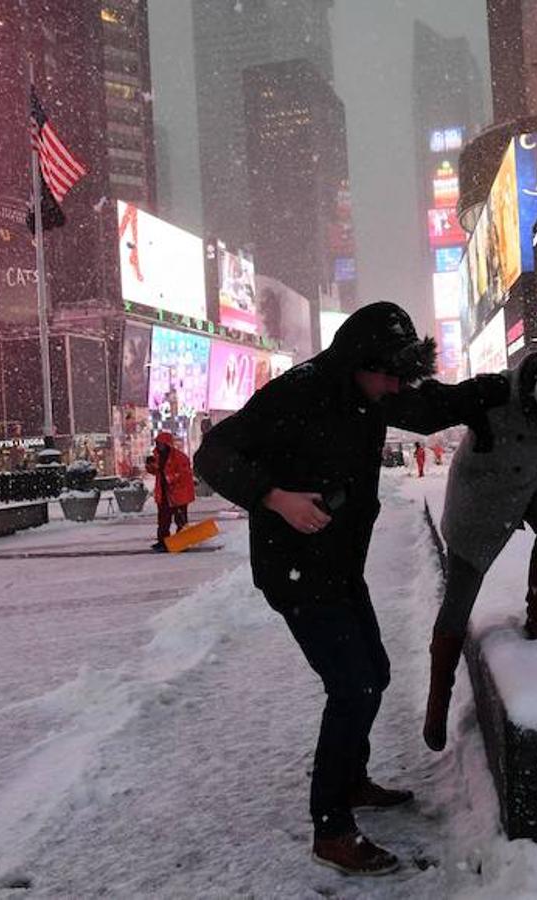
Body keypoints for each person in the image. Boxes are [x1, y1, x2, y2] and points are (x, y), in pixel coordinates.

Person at [193, 302, 508, 877]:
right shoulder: (298, 393)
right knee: (355, 686)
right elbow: (213, 452)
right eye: (386, 374)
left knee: (374, 674)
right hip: (294, 569)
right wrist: (274, 497)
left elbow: (436, 405)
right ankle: (331, 828)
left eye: (399, 376)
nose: (393, 387)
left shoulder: (375, 390)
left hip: (338, 565)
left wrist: (506, 387)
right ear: (356, 362)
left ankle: (351, 777)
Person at [424, 353, 537, 752]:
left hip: (532, 479)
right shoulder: (493, 393)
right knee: (459, 599)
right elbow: (432, 406)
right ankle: (438, 698)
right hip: (481, 493)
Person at [147, 431, 194, 551]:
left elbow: (184, 474)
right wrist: (150, 466)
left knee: (180, 519)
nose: (159, 446)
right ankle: (163, 542)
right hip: (163, 494)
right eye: (158, 444)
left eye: (161, 444)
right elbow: (157, 471)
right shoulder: (157, 456)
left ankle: (182, 541)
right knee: (163, 520)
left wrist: (169, 477)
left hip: (178, 494)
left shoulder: (179, 457)